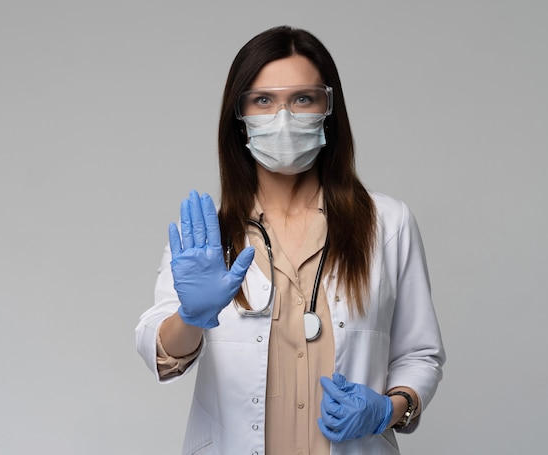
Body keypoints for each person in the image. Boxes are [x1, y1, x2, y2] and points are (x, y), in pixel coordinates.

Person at [136, 25, 445, 455]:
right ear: (239, 116)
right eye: (263, 100)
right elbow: (161, 352)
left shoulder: (387, 223)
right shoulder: (209, 236)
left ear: (327, 109)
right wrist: (192, 316)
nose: (284, 118)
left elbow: (420, 354)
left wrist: (391, 408)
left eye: (303, 99)